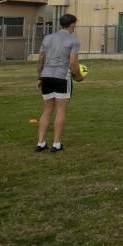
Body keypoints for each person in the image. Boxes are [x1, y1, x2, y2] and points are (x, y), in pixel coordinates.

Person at [36, 14, 84, 153]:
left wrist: (40, 77)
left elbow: (41, 59)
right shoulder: (73, 40)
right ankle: (56, 144)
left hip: (46, 76)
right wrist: (79, 76)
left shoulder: (48, 38)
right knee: (61, 110)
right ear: (72, 24)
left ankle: (41, 142)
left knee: (47, 111)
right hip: (62, 77)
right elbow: (73, 62)